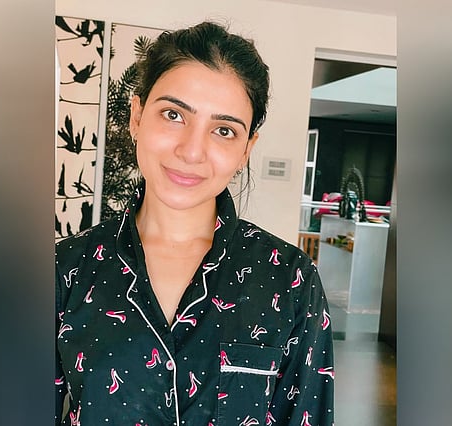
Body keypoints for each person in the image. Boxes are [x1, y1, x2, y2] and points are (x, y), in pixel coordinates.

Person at [55, 21, 334, 425]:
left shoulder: (289, 279)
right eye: (173, 114)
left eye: (223, 130)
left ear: (246, 149)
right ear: (136, 117)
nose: (191, 151)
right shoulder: (66, 268)